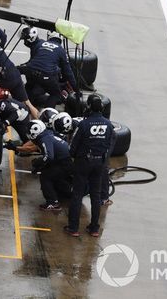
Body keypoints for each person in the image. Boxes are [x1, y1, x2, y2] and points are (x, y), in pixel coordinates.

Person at [65, 94, 115, 237]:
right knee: (96, 195)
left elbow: (72, 147)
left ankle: (73, 228)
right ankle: (94, 228)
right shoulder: (108, 125)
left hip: (84, 162)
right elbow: (111, 142)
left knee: (77, 195)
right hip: (100, 163)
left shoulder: (84, 124)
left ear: (88, 108)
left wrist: (75, 157)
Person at [19, 26, 77, 107]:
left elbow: (33, 62)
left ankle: (24, 104)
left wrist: (20, 68)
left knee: (29, 85)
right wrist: (76, 88)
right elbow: (68, 73)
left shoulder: (40, 43)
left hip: (30, 71)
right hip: (46, 75)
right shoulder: (61, 50)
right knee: (56, 95)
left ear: (49, 36)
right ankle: (47, 114)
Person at [25, 120, 73, 212]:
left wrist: (39, 163)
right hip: (65, 161)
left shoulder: (43, 139)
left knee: (45, 176)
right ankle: (63, 192)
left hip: (65, 162)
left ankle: (53, 202)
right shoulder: (47, 135)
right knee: (50, 172)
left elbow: (49, 157)